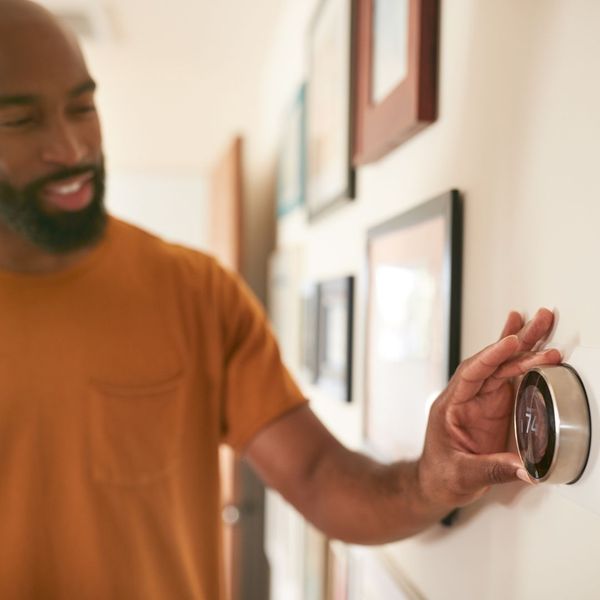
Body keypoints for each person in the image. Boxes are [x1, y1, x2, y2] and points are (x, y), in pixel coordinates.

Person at [0, 0, 561, 598]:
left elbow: (319, 478)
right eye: (20, 121)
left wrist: (432, 476)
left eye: (82, 107)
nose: (71, 147)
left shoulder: (195, 291)